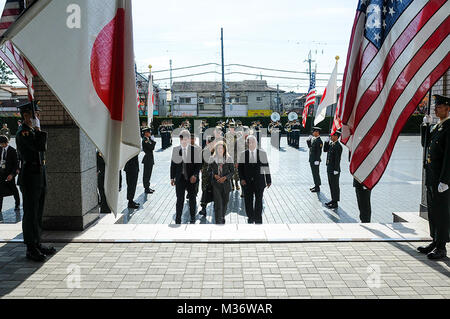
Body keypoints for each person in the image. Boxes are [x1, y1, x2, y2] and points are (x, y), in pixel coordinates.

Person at [16, 102, 55, 262]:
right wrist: (38, 131)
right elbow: (39, 147)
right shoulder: (23, 133)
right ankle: (30, 248)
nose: (37, 117)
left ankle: (37, 242)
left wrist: (37, 130)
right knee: (31, 213)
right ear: (26, 115)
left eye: (38, 114)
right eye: (35, 115)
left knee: (38, 212)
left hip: (39, 174)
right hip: (30, 175)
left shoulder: (31, 131)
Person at [418, 94, 450, 260]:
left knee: (442, 213)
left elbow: (448, 158)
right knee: (433, 211)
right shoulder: (438, 126)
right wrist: (425, 126)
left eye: (439, 106)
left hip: (441, 180)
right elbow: (426, 143)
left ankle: (442, 246)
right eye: (436, 106)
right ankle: (435, 240)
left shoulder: (449, 127)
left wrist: (445, 180)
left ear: (447, 108)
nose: (436, 109)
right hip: (432, 177)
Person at [170, 130, 202, 224]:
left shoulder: (195, 150)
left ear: (188, 139)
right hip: (180, 179)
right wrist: (172, 177)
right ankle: (178, 219)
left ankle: (192, 217)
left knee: (192, 199)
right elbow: (173, 164)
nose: (183, 141)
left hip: (191, 179)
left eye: (185, 139)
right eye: (181, 139)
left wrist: (195, 175)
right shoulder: (176, 149)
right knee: (180, 199)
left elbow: (198, 164)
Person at [238, 135, 272, 224]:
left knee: (259, 200)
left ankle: (258, 218)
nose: (251, 144)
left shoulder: (262, 153)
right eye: (249, 142)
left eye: (253, 142)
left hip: (259, 182)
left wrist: (268, 180)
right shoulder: (243, 154)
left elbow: (266, 167)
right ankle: (250, 217)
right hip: (247, 182)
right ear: (247, 144)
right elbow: (240, 169)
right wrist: (241, 179)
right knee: (248, 201)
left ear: (256, 143)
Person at [208, 142, 234, 224]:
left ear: (224, 149)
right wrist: (214, 175)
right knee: (218, 203)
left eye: (221, 148)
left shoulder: (229, 158)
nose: (220, 150)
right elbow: (208, 171)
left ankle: (222, 217)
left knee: (225, 203)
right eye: (218, 148)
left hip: (226, 185)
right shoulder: (212, 159)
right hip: (216, 185)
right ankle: (218, 220)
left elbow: (232, 172)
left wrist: (225, 177)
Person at [0, 135, 20, 212]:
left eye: (2, 144)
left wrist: (12, 174)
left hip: (9, 174)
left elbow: (16, 164)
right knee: (0, 190)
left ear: (6, 143)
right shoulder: (0, 149)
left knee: (14, 189)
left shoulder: (12, 150)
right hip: (1, 173)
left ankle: (17, 204)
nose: (1, 145)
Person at [323, 130, 343, 209]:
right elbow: (325, 150)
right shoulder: (331, 144)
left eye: (332, 136)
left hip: (334, 169)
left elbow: (337, 159)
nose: (331, 137)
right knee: (331, 185)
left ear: (336, 136)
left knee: (335, 186)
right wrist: (326, 142)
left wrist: (336, 169)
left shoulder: (338, 146)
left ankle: (335, 202)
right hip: (330, 168)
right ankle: (333, 200)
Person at [199, 137, 215, 217]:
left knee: (216, 191)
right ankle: (203, 208)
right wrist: (201, 168)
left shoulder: (218, 151)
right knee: (205, 190)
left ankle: (217, 208)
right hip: (205, 175)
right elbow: (200, 162)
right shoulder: (204, 151)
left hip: (215, 175)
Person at [307, 127, 323, 193]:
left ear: (317, 132)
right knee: (314, 173)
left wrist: (317, 160)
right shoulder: (314, 139)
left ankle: (317, 187)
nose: (313, 133)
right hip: (312, 159)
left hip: (315, 160)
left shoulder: (319, 141)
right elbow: (310, 147)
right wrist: (308, 140)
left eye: (314, 131)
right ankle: (316, 185)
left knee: (316, 173)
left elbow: (319, 152)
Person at [225, 121, 240, 191]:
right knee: (229, 170)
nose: (232, 129)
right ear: (229, 128)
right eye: (231, 127)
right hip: (228, 155)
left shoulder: (237, 135)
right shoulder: (226, 135)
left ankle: (237, 184)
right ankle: (232, 184)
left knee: (236, 171)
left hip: (235, 155)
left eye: (233, 127)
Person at [142, 127, 156, 194]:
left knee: (149, 174)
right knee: (146, 174)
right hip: (147, 159)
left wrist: (151, 140)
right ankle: (146, 188)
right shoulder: (145, 140)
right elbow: (151, 147)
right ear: (146, 133)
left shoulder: (148, 139)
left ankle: (148, 186)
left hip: (149, 158)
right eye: (149, 132)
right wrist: (152, 141)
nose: (150, 133)